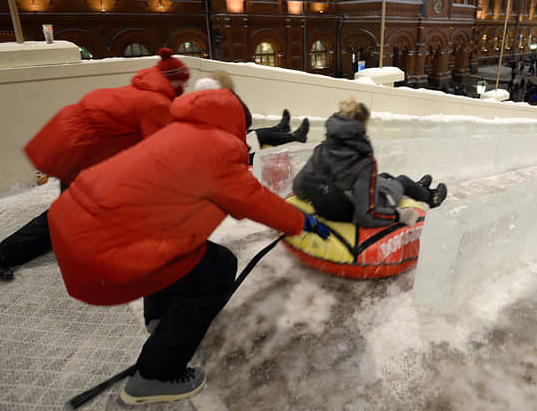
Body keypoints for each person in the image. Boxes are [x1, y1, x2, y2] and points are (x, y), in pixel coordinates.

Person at [48, 79, 331, 404]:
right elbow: (252, 199)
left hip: (79, 226)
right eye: (242, 129)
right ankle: (156, 375)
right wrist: (303, 221)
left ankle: (160, 321)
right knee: (215, 268)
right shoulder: (213, 146)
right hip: (106, 244)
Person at [0, 48, 190, 281]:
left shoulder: (139, 91)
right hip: (85, 157)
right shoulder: (154, 102)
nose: (184, 88)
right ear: (173, 81)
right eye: (182, 83)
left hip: (77, 151)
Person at [292, 97, 447, 228]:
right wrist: (398, 216)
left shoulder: (322, 150)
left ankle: (418, 187)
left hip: (340, 198)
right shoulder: (363, 161)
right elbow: (366, 215)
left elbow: (298, 187)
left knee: (384, 176)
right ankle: (430, 197)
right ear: (361, 126)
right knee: (402, 181)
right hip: (354, 205)